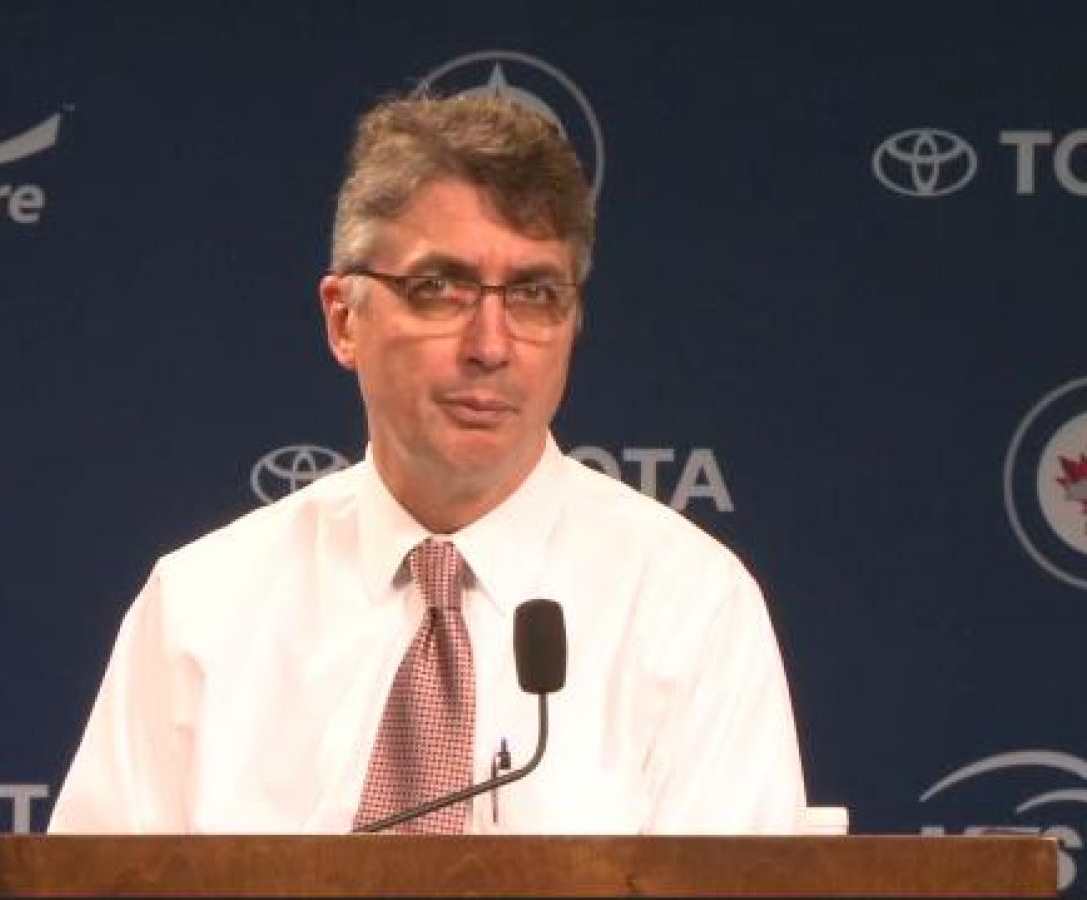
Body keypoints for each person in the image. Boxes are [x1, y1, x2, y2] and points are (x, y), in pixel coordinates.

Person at [48, 93, 807, 835]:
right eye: (438, 289)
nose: (490, 346)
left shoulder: (689, 608)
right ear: (344, 319)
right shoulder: (200, 607)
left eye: (534, 293)